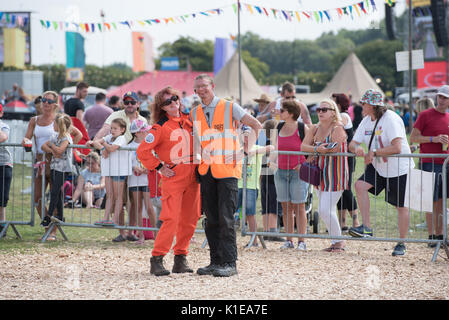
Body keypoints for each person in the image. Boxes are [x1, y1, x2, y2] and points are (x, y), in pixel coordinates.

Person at [190, 74, 262, 277]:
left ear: (212, 86)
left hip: (228, 170)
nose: (201, 90)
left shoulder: (230, 107)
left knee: (226, 217)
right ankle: (215, 261)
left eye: (204, 86)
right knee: (211, 217)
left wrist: (244, 151)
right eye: (197, 87)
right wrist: (196, 159)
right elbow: (197, 137)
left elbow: (256, 125)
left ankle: (230, 262)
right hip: (206, 170)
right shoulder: (195, 112)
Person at [137, 86, 201, 276]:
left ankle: (180, 258)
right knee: (171, 219)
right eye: (168, 102)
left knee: (190, 219)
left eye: (175, 98)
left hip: (193, 176)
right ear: (162, 107)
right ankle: (157, 259)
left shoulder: (190, 120)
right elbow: (143, 151)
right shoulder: (160, 127)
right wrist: (159, 167)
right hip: (173, 177)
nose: (173, 103)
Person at [348, 89, 414, 256]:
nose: (361, 105)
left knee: (401, 206)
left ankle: (402, 243)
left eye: (364, 102)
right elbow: (352, 143)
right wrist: (357, 150)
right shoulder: (365, 120)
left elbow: (397, 147)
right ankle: (367, 228)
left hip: (399, 168)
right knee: (360, 185)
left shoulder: (391, 119)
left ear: (372, 105)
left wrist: (375, 152)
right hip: (378, 166)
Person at [21, 91, 82, 221]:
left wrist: (68, 150)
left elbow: (78, 135)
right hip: (39, 162)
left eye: (49, 101)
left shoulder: (59, 119)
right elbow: (27, 138)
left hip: (55, 163)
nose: (45, 103)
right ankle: (47, 223)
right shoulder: (34, 120)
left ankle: (52, 230)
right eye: (43, 100)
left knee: (55, 197)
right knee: (37, 198)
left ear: (55, 104)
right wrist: (25, 141)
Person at [301, 99, 348, 252]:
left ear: (333, 112)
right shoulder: (314, 128)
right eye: (318, 109)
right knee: (327, 210)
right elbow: (303, 146)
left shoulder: (338, 128)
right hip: (319, 174)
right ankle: (335, 242)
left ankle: (339, 242)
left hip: (336, 174)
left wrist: (316, 149)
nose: (320, 112)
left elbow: (334, 149)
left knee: (324, 210)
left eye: (324, 109)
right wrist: (318, 149)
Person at [410, 85, 449, 247]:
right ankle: (432, 235)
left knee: (441, 201)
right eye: (440, 96)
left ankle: (440, 235)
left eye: (445, 97)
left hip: (445, 164)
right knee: (430, 200)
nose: (441, 100)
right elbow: (413, 137)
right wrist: (434, 139)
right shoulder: (425, 115)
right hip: (429, 162)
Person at [269, 100, 309, 251]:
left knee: (299, 206)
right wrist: (272, 162)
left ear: (291, 113)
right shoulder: (278, 127)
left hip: (298, 172)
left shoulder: (301, 128)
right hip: (280, 171)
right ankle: (289, 240)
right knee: (286, 207)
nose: (279, 112)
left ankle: (302, 241)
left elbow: (309, 149)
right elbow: (274, 147)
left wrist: (303, 164)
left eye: (282, 110)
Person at [87, 118, 131, 241]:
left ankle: (115, 218)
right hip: (109, 171)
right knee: (110, 195)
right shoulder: (108, 138)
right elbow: (96, 142)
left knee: (118, 196)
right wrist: (99, 146)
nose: (112, 130)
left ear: (122, 130)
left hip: (119, 171)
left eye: (115, 128)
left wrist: (104, 147)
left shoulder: (121, 138)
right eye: (111, 128)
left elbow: (112, 149)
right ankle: (106, 218)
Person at [235, 127, 274, 248]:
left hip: (251, 186)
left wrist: (254, 152)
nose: (246, 138)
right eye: (244, 135)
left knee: (250, 213)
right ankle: (228, 240)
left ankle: (254, 240)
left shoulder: (256, 148)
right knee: (231, 212)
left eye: (249, 135)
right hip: (237, 184)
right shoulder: (237, 149)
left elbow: (272, 147)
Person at [40, 114, 74, 240]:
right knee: (57, 191)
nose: (52, 126)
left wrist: (53, 148)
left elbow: (60, 150)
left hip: (64, 168)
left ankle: (49, 216)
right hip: (54, 166)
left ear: (59, 125)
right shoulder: (54, 136)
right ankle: (60, 214)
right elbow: (44, 146)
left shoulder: (66, 137)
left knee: (54, 191)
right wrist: (53, 150)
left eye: (54, 124)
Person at [331, 93, 360, 231]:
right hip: (338, 157)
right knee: (339, 189)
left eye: (333, 103)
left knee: (346, 188)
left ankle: (356, 221)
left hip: (346, 158)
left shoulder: (343, 116)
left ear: (339, 105)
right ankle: (342, 222)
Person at [128, 119, 155, 245]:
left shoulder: (150, 144)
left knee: (150, 207)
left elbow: (155, 159)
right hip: (134, 180)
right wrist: (134, 168)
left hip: (147, 179)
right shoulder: (129, 146)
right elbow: (127, 162)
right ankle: (141, 236)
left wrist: (148, 167)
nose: (147, 132)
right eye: (144, 131)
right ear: (137, 133)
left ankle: (156, 235)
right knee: (138, 207)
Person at [259, 119, 284, 241]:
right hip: (273, 177)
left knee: (266, 205)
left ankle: (266, 231)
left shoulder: (264, 145)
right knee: (274, 204)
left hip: (264, 177)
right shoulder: (275, 145)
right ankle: (273, 231)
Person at [0, 103, 12, 237]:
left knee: (2, 198)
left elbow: (3, 137)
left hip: (4, 163)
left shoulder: (3, 126)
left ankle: (2, 227)